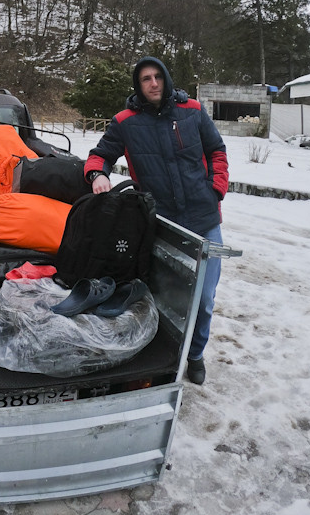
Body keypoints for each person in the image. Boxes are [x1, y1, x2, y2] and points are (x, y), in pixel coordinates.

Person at [84, 56, 229, 385]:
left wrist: (216, 190)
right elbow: (100, 155)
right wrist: (96, 175)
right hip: (161, 224)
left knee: (204, 299)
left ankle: (195, 354)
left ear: (165, 79)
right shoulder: (125, 121)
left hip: (204, 219)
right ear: (138, 84)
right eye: (145, 78)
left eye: (157, 77)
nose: (152, 83)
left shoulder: (192, 110)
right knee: (166, 294)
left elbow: (217, 151)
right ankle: (165, 352)